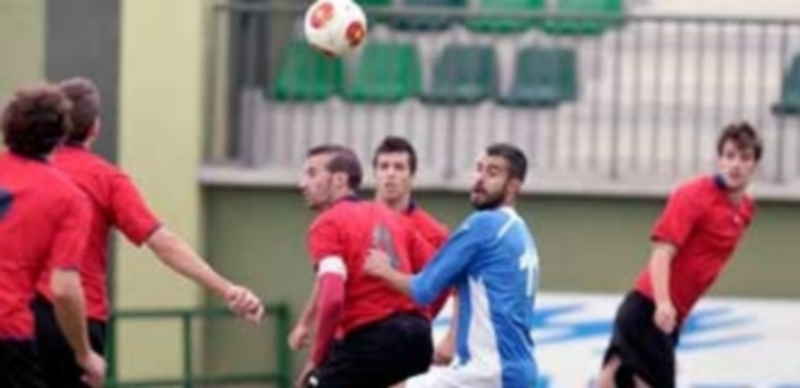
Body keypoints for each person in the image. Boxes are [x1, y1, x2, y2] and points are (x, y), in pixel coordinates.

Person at [31, 77, 265, 388]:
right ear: (95, 127)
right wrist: (226, 289)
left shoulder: (20, 173)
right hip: (79, 320)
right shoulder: (107, 179)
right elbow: (163, 243)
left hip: (19, 316)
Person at [596, 122, 762, 388]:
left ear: (754, 165)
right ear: (719, 160)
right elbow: (662, 253)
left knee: (610, 382)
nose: (736, 164)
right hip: (647, 310)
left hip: (669, 319)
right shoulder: (694, 194)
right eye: (729, 155)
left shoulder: (746, 210)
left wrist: (677, 319)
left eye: (744, 158)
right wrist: (663, 303)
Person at [364, 143, 540, 388]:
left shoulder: (485, 224)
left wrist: (383, 269)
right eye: (479, 169)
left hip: (489, 371)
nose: (480, 178)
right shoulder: (520, 230)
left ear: (514, 185)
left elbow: (423, 290)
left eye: (493, 173)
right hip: (519, 370)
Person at [287, 137, 450, 354]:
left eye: (399, 167)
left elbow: (446, 284)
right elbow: (331, 278)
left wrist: (430, 324)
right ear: (375, 174)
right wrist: (306, 321)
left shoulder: (433, 233)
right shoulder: (355, 219)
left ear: (412, 176)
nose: (390, 173)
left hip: (395, 339)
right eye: (384, 167)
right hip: (350, 333)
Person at [0, 85, 105, 387]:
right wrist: (85, 354)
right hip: (8, 331)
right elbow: (63, 288)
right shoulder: (68, 198)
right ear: (62, 134)